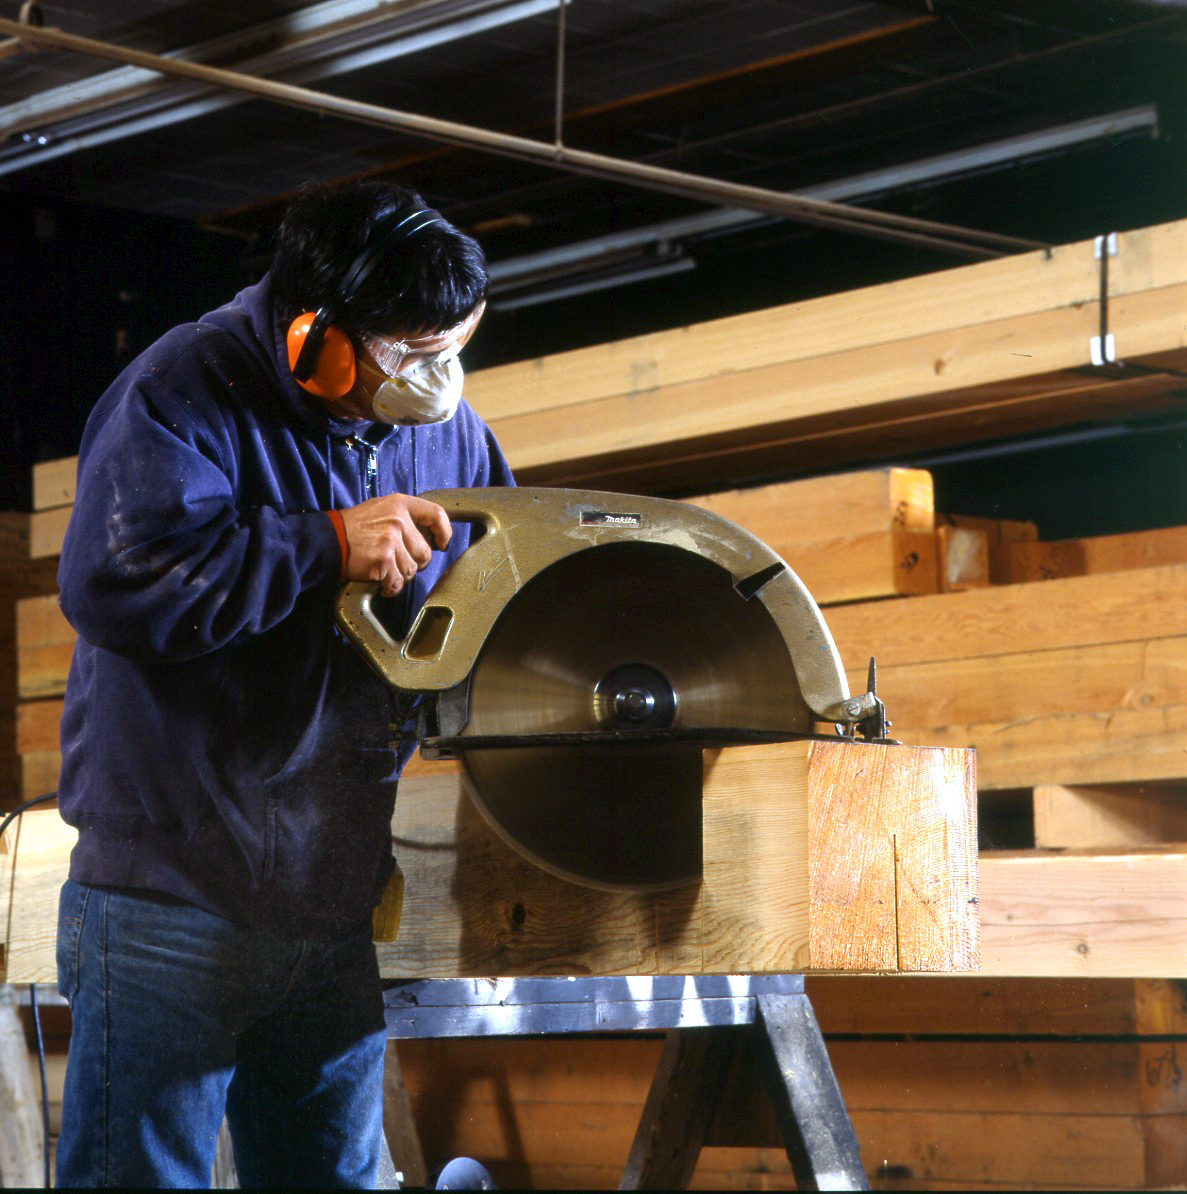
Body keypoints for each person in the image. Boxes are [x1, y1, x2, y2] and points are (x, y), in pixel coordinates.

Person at [52, 179, 514, 1188]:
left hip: (330, 894)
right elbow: (116, 585)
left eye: (454, 346)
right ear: (316, 338)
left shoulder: (450, 431)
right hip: (172, 892)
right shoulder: (182, 391)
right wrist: (324, 546)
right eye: (412, 353)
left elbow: (494, 589)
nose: (439, 380)